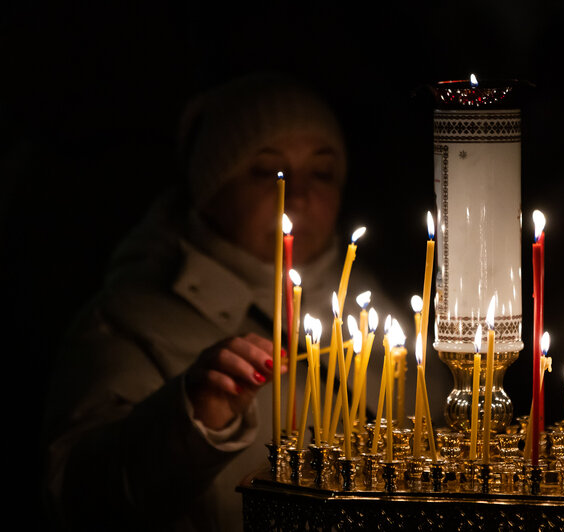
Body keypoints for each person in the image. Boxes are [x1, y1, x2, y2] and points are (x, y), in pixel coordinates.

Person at [42, 72, 428, 531]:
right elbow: (75, 499)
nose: (299, 194)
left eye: (321, 172)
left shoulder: (383, 313)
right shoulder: (127, 321)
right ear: (210, 189)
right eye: (267, 171)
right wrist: (193, 421)